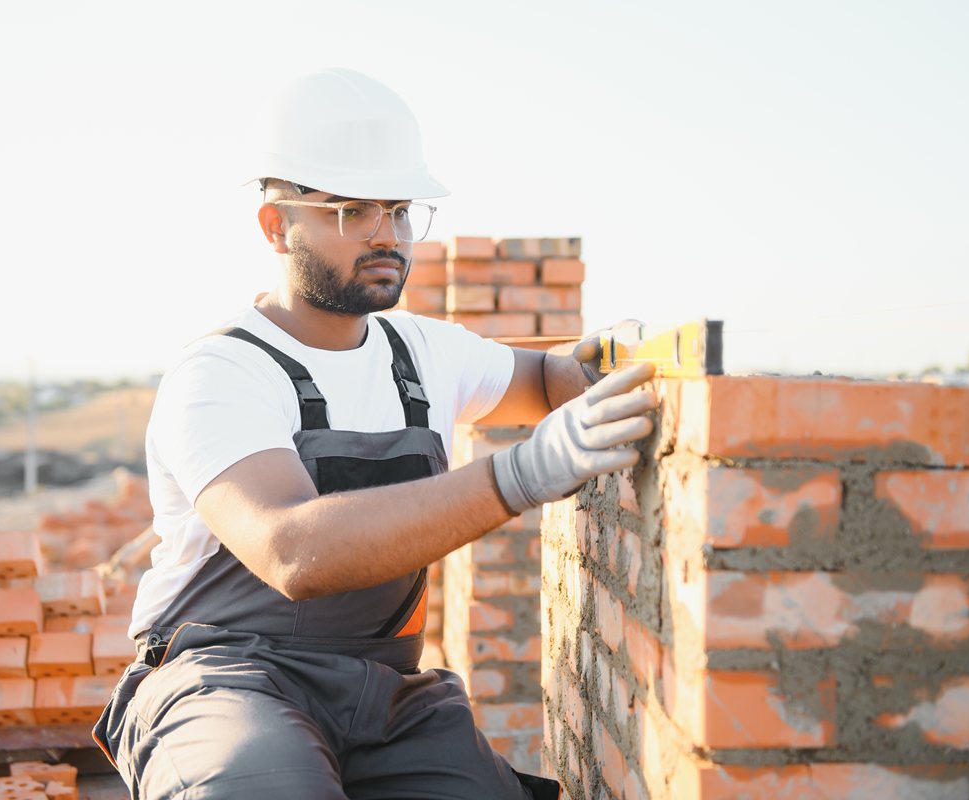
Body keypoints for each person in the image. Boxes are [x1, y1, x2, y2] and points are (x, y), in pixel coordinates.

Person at [94, 68, 657, 799]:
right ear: (276, 226)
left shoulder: (418, 352)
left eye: (398, 210)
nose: (386, 235)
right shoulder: (223, 373)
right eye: (353, 211)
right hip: (226, 680)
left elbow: (546, 379)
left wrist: (606, 368)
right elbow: (292, 551)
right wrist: (520, 476)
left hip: (382, 690)